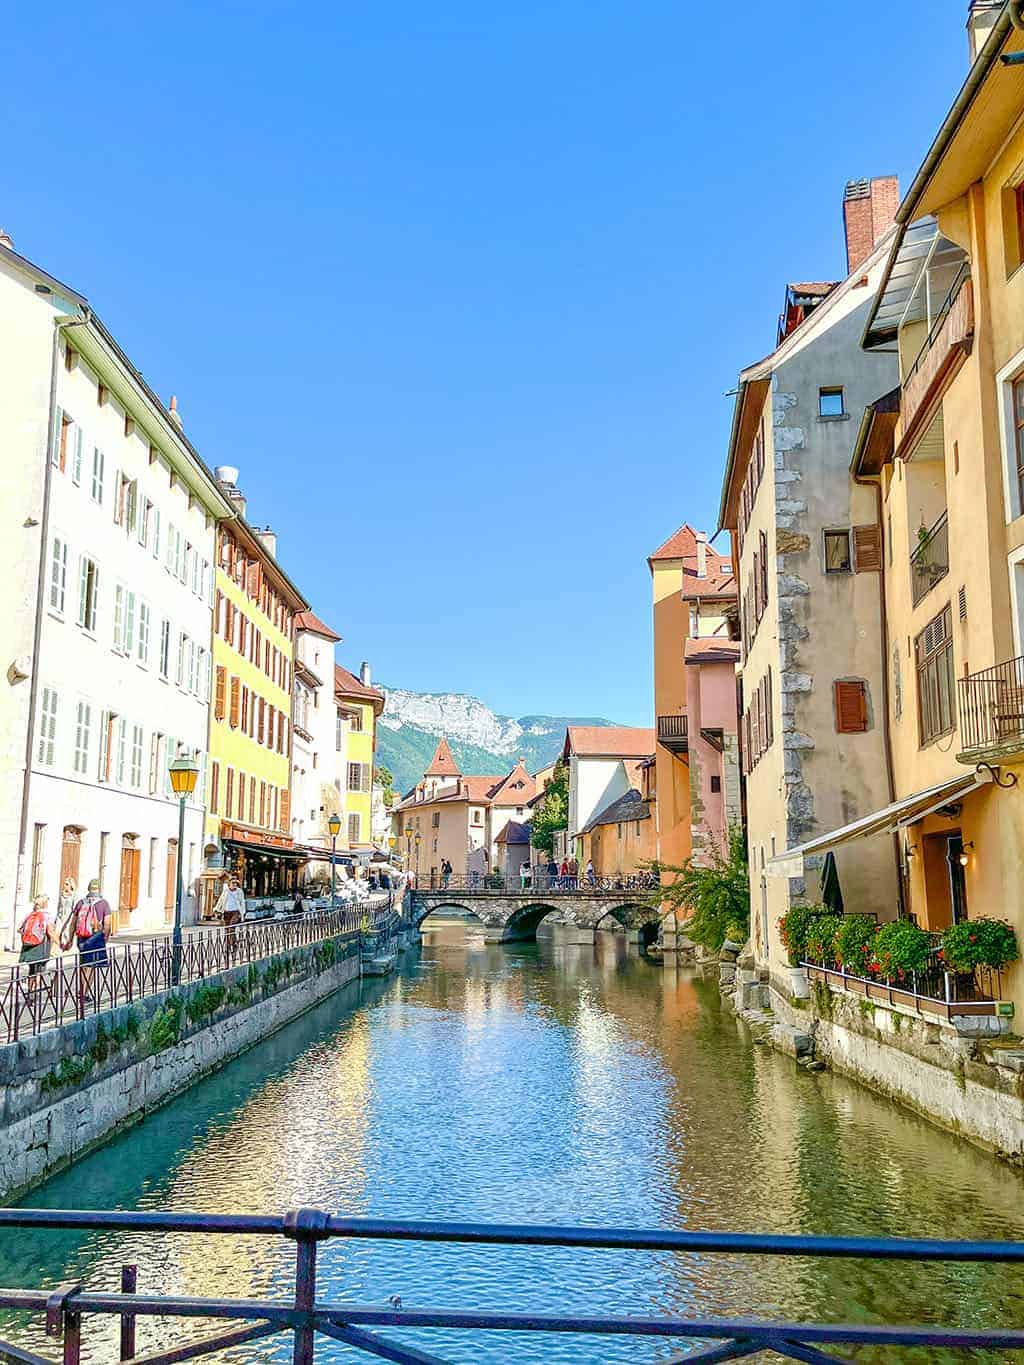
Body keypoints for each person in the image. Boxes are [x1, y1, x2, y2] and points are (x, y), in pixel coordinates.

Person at [71, 880, 112, 1003]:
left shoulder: (80, 903)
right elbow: (107, 924)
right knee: (92, 966)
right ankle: (84, 993)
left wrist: (70, 939)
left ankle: (82, 991)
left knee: (84, 965)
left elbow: (73, 922)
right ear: (99, 889)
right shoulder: (104, 904)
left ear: (89, 889)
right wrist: (105, 938)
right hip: (96, 937)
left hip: (82, 937)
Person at [18, 894, 60, 1002]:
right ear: (45, 904)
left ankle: (30, 993)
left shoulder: (29, 915)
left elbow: (19, 929)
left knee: (31, 970)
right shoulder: (47, 915)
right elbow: (50, 932)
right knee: (39, 971)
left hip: (28, 947)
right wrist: (59, 943)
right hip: (41, 947)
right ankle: (34, 993)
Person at [214, 875, 246, 960]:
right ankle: (228, 946)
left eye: (236, 883)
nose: (234, 884)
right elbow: (221, 900)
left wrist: (242, 913)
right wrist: (217, 909)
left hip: (235, 912)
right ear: (229, 884)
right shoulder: (226, 891)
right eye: (233, 883)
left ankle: (234, 945)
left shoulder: (239, 891)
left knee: (231, 928)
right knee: (227, 930)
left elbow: (242, 902)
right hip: (226, 912)